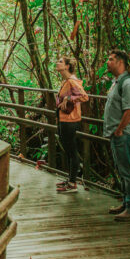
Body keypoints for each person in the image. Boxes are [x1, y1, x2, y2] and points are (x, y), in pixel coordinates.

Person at [104, 49, 130, 221]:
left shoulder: (128, 83)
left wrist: (119, 130)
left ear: (120, 62)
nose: (107, 62)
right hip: (117, 134)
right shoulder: (117, 81)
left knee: (128, 171)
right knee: (122, 170)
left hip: (125, 135)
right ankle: (126, 202)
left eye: (111, 59)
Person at [54, 56, 89, 194]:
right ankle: (70, 178)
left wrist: (69, 98)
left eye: (61, 62)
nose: (57, 63)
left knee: (72, 150)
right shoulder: (65, 81)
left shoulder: (72, 81)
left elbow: (84, 96)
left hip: (70, 121)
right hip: (63, 119)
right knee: (68, 150)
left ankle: (73, 182)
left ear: (67, 66)